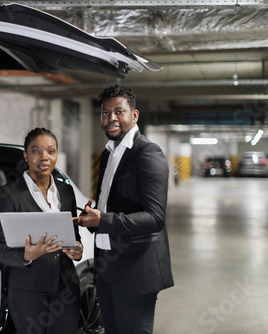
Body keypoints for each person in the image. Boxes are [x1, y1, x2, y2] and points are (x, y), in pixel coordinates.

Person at [75, 84, 174, 333]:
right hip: (108, 266)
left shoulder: (147, 153)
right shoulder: (109, 153)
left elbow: (154, 218)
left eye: (119, 112)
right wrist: (94, 215)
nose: (111, 119)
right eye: (105, 113)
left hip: (135, 272)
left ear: (135, 115)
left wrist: (104, 220)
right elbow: (115, 203)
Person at [0, 127, 83, 334]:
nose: (44, 157)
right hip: (27, 288)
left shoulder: (66, 192)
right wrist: (25, 255)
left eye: (51, 151)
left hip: (65, 285)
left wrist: (77, 250)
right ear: (25, 155)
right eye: (36, 151)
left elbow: (73, 238)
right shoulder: (10, 195)